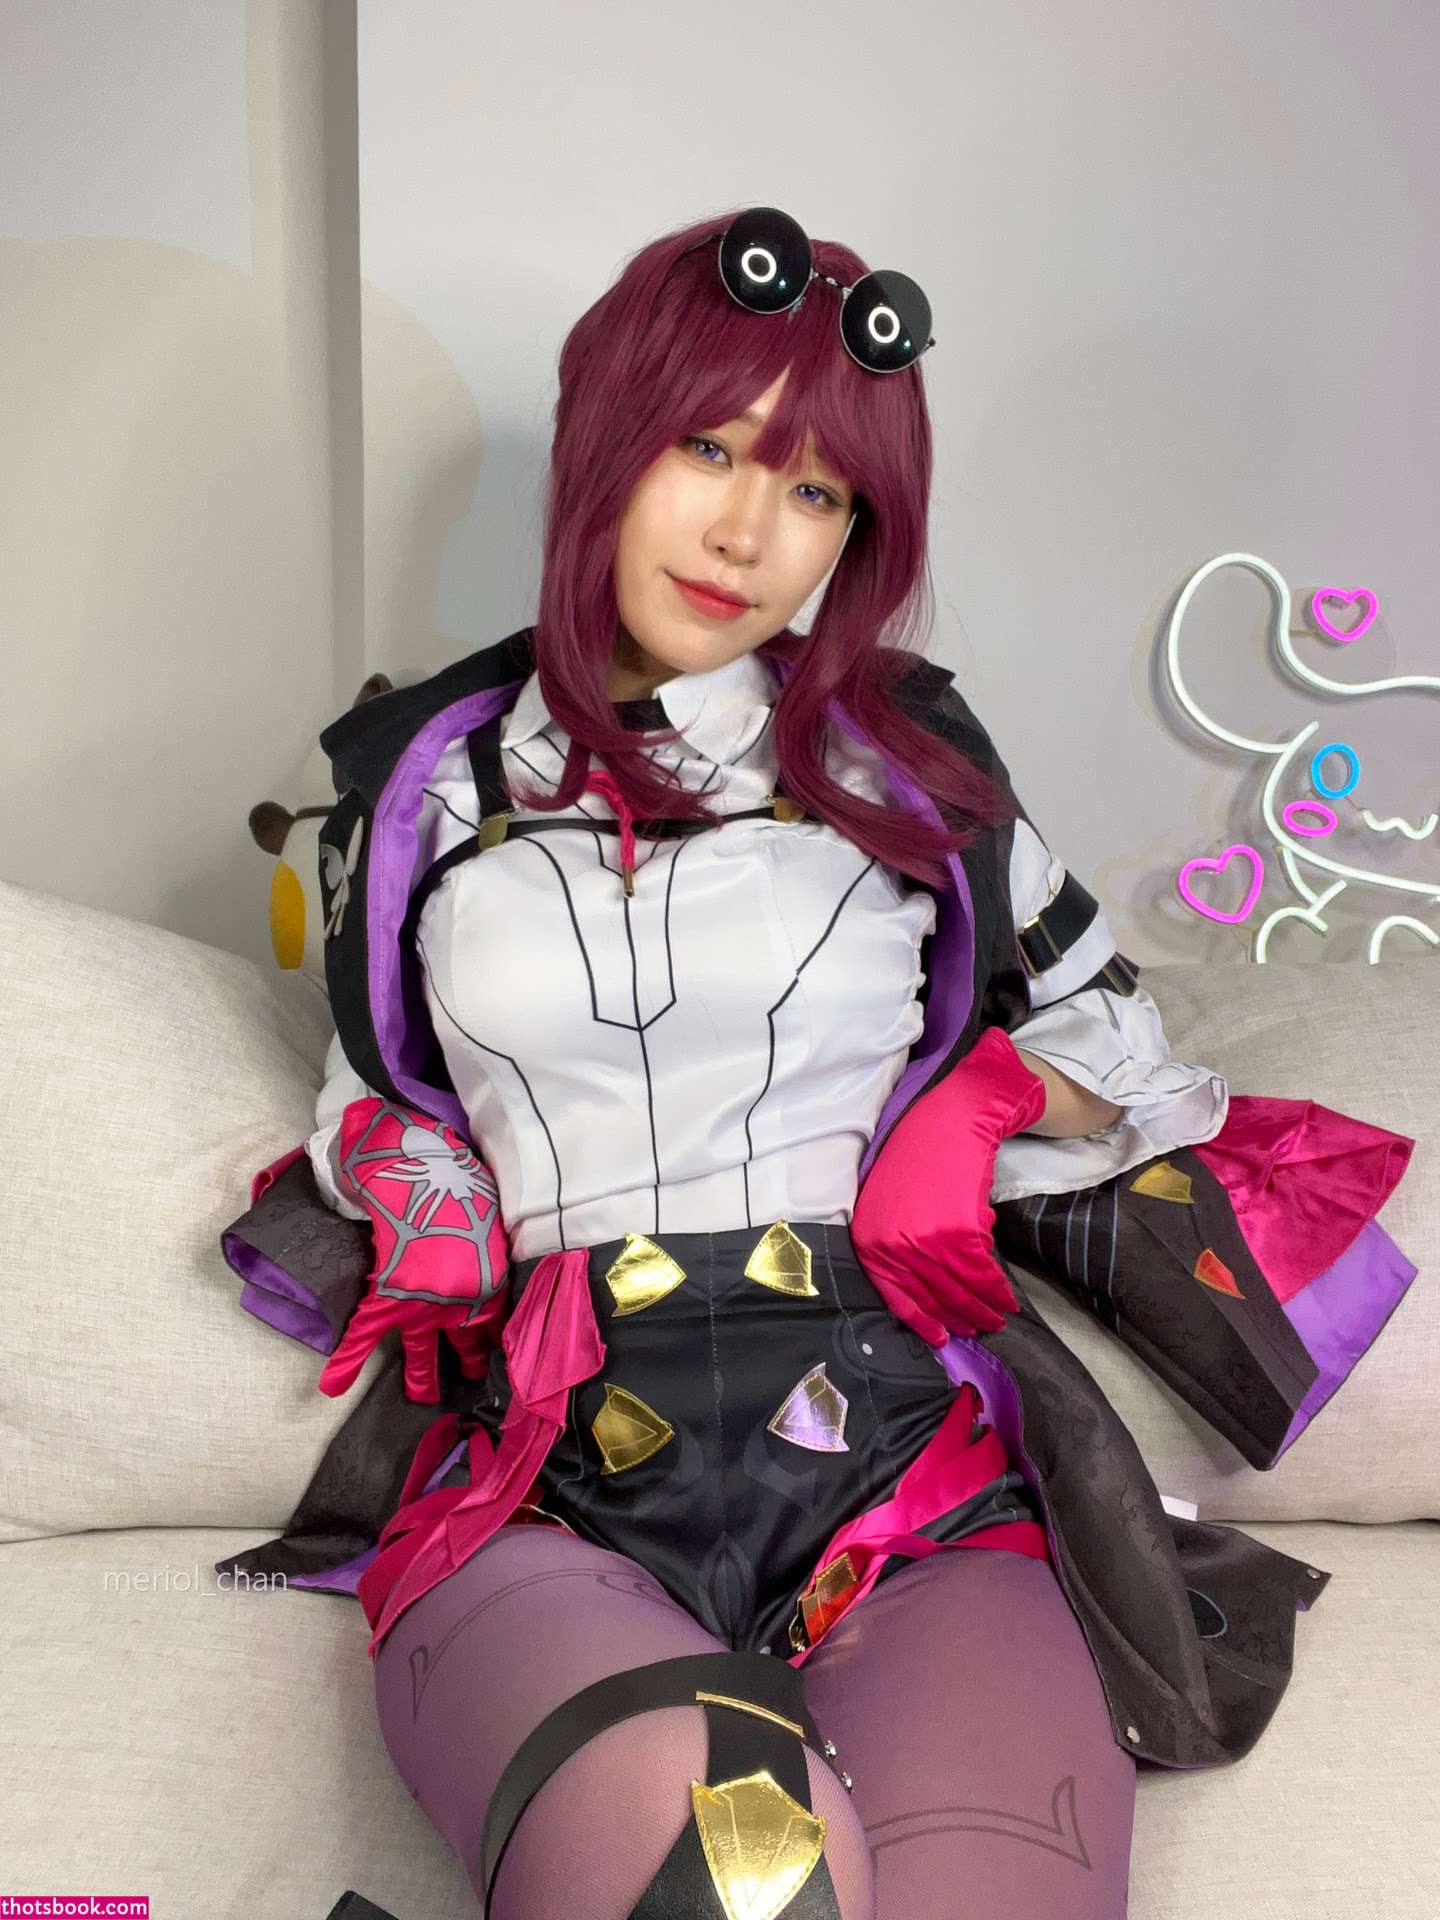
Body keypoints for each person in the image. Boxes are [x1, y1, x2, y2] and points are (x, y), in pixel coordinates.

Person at [235, 208, 1380, 1919]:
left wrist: (987, 1099)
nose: (750, 534)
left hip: (904, 1478)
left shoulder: (906, 770)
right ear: (606, 436)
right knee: (731, 1871)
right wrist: (414, 1173)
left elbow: (1137, 1076)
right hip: (548, 1482)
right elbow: (370, 1088)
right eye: (708, 448)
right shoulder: (422, 790)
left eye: (820, 490)